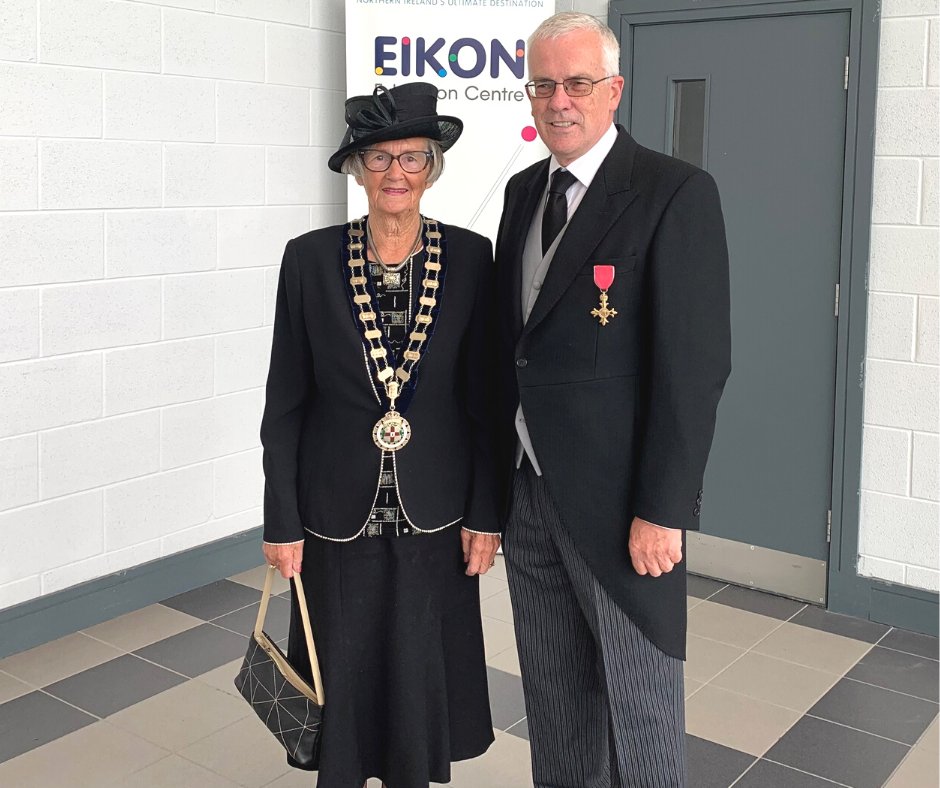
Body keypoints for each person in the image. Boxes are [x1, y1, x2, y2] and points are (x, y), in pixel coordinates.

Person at [494, 12, 732, 788]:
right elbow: (515, 347)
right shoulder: (522, 192)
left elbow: (693, 367)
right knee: (556, 700)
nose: (558, 100)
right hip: (530, 492)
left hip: (622, 505)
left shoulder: (672, 193)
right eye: (543, 84)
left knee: (638, 702)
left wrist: (663, 508)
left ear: (614, 90)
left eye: (578, 83)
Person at [260, 81, 500, 788]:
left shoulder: (470, 259)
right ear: (356, 168)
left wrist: (488, 512)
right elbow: (285, 402)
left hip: (436, 509)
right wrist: (282, 519)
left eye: (413, 158)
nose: (396, 172)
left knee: (417, 662)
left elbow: (488, 400)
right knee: (343, 658)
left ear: (432, 167)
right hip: (335, 510)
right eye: (379, 157)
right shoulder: (308, 260)